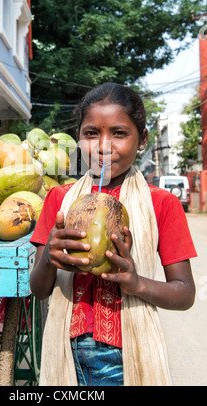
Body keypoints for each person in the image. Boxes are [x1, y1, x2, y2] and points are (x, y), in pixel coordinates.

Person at [29, 82, 197, 387]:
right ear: (78, 138)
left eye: (119, 133)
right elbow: (40, 290)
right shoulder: (59, 200)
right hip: (64, 350)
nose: (103, 145)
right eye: (91, 133)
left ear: (142, 139)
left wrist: (136, 283)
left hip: (127, 355)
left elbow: (184, 293)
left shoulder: (162, 203)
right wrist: (50, 260)